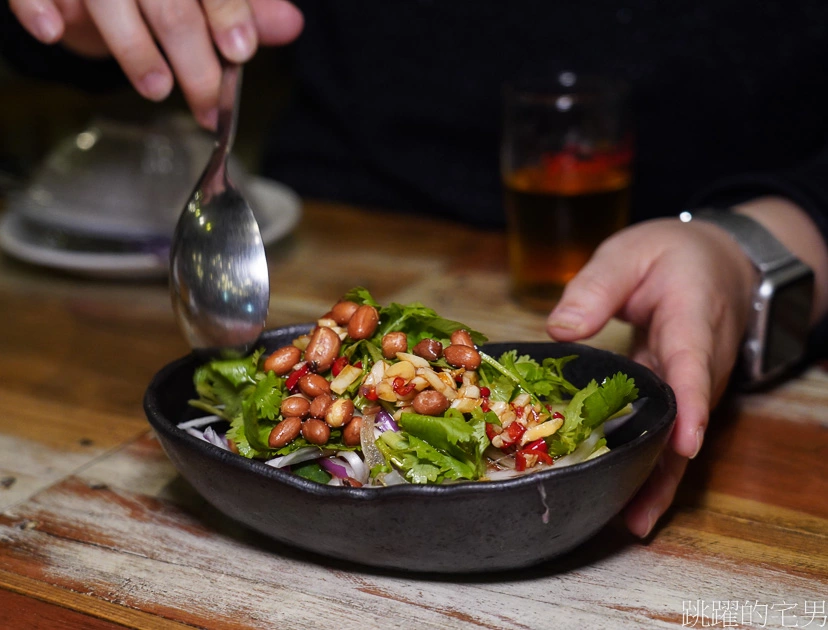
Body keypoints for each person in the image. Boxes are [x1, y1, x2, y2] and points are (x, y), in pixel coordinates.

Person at [4, 0, 828, 539]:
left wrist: (760, 246)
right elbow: (45, 46)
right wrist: (76, 21)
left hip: (708, 243)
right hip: (320, 215)